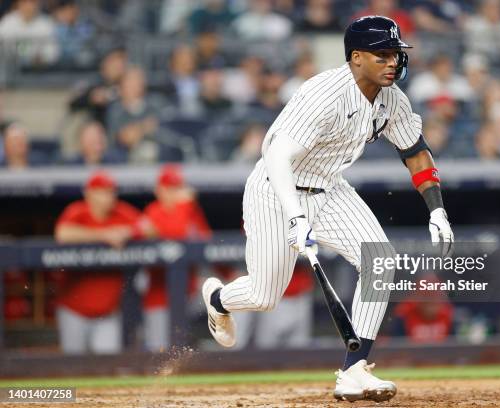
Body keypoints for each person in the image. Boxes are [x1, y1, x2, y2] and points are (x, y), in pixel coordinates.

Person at [200, 16, 454, 403]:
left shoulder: (392, 100)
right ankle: (218, 300)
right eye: (382, 54)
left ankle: (355, 371)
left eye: (395, 54)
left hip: (330, 188)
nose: (393, 62)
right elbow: (276, 155)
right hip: (275, 189)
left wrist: (436, 210)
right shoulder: (324, 93)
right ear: (356, 57)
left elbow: (416, 152)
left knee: (381, 260)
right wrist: (295, 217)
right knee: (266, 295)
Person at [54, 171, 146, 354]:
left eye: (111, 191)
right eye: (102, 191)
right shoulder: (77, 211)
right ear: (89, 193)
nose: (108, 196)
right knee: (73, 367)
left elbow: (149, 226)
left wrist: (128, 232)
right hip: (74, 311)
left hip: (107, 313)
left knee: (108, 366)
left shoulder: (121, 211)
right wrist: (104, 235)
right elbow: (62, 234)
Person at [141, 165, 212, 352]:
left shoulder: (190, 211)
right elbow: (177, 233)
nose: (173, 193)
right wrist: (184, 205)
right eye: (168, 188)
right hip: (159, 295)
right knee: (159, 350)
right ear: (159, 190)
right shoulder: (153, 211)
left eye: (177, 188)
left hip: (189, 292)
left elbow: (206, 241)